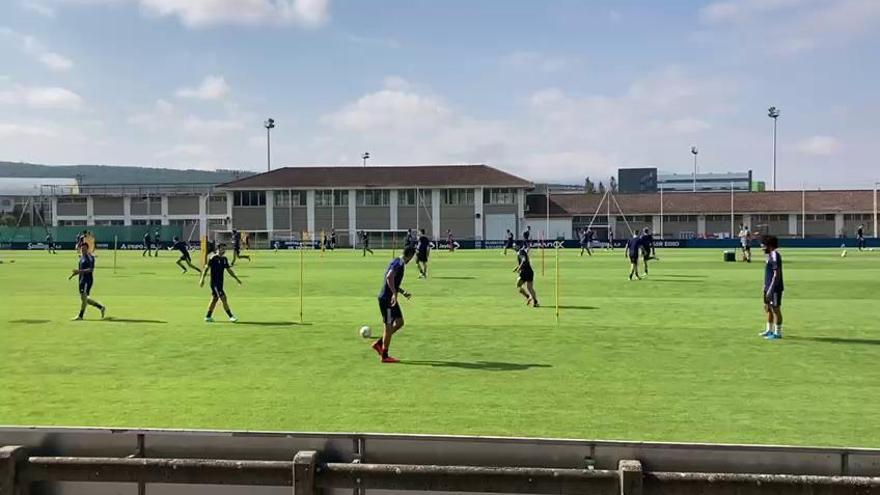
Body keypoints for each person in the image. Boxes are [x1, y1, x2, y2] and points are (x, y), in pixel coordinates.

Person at [371, 246, 416, 363]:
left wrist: (402, 292)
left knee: (400, 322)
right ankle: (384, 355)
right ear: (410, 256)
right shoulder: (399, 264)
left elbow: (393, 281)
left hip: (390, 299)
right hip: (387, 300)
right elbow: (389, 277)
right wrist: (394, 294)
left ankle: (380, 343)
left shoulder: (397, 261)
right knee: (388, 326)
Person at [199, 243, 241, 322]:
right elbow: (206, 268)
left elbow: (229, 270)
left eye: (224, 249)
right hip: (214, 283)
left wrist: (236, 278)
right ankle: (231, 316)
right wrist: (202, 279)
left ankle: (208, 316)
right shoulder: (213, 258)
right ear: (218, 249)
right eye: (222, 249)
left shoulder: (224, 259)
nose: (224, 250)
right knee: (223, 298)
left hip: (220, 283)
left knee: (215, 299)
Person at [71, 242, 106, 320]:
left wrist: (79, 271)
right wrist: (75, 274)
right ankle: (101, 307)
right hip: (81, 280)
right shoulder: (81, 257)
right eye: (82, 248)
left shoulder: (90, 257)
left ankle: (80, 316)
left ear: (87, 248)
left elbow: (91, 269)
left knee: (84, 298)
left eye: (84, 248)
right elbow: (80, 270)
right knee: (84, 299)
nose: (83, 250)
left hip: (87, 280)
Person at [759, 235, 784, 340]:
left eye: (763, 245)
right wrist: (765, 286)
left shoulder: (775, 255)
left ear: (769, 245)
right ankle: (769, 330)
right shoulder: (769, 255)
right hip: (768, 287)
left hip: (775, 288)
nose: (762, 248)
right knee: (768, 308)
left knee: (775, 309)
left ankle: (777, 333)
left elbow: (776, 274)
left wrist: (770, 289)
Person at [514, 242, 538, 307]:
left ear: (518, 246)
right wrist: (517, 267)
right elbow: (524, 261)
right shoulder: (521, 252)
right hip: (529, 271)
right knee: (529, 288)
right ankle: (532, 299)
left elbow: (524, 260)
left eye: (515, 246)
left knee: (520, 285)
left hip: (525, 272)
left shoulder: (521, 252)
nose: (514, 247)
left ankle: (531, 299)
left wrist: (519, 268)